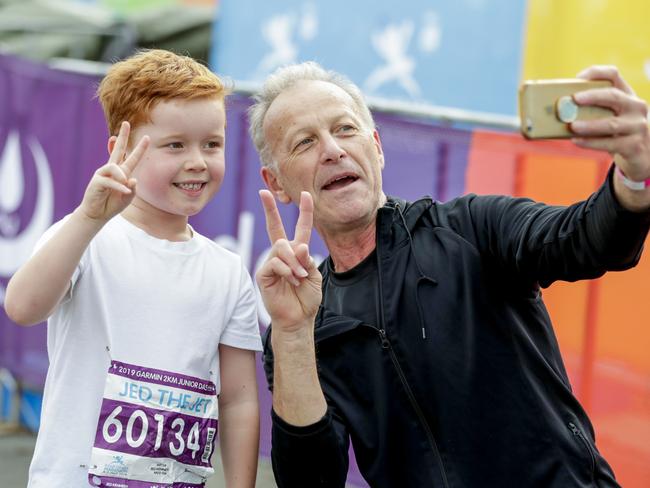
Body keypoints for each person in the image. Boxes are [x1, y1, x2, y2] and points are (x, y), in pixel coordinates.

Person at [248, 61, 650, 488]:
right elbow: (311, 479)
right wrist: (292, 336)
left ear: (377, 146)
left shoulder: (471, 228)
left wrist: (636, 175)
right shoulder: (298, 324)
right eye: (305, 142)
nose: (332, 150)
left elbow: (586, 240)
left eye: (345, 129)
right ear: (277, 184)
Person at [5, 49, 262, 488]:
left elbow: (238, 400)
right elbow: (22, 306)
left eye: (212, 144)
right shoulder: (85, 237)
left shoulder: (228, 272)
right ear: (121, 150)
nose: (198, 160)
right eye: (174, 144)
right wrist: (88, 219)